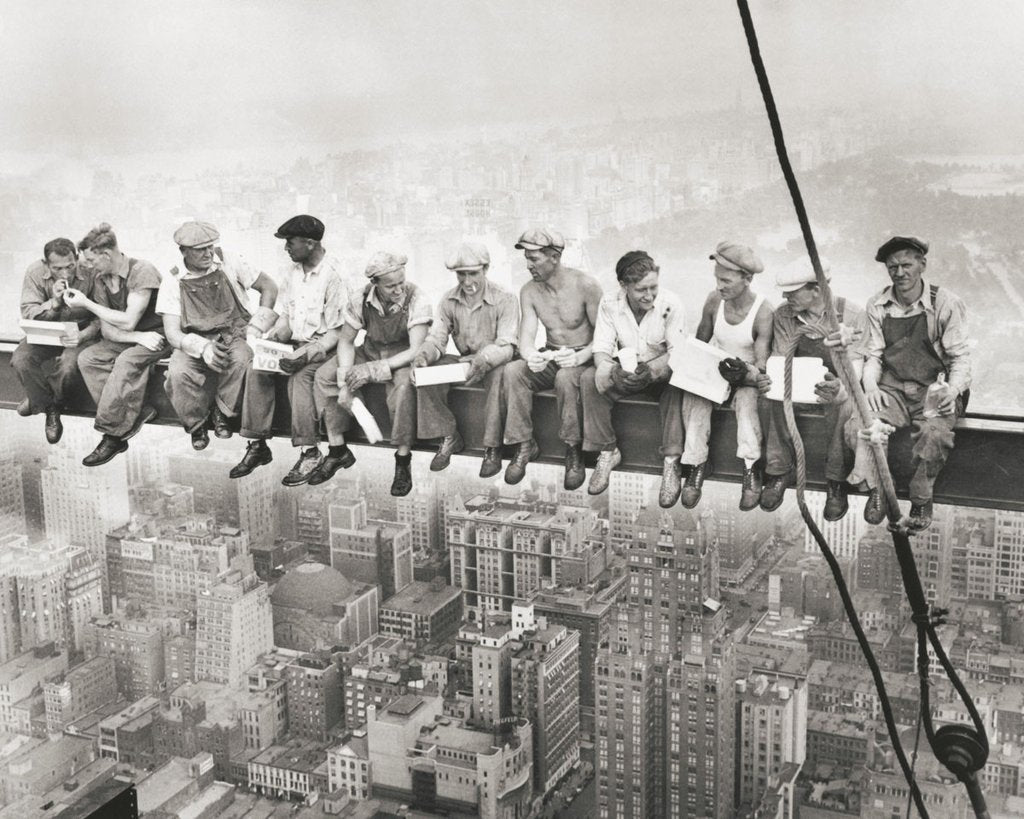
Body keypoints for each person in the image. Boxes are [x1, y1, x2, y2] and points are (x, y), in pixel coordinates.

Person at [846, 236, 971, 531]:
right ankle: (877, 489)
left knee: (934, 435)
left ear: (922, 265)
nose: (899, 273)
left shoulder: (945, 303)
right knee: (860, 425)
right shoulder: (877, 304)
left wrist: (951, 392)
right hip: (893, 389)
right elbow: (873, 355)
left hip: (935, 390)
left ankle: (921, 496)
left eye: (906, 265)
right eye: (892, 267)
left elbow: (960, 358)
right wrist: (871, 388)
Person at [229, 215, 349, 486]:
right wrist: (273, 338)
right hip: (295, 343)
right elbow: (287, 315)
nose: (286, 248)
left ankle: (310, 451)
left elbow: (337, 332)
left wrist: (306, 354)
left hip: (324, 349)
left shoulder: (335, 276)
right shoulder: (292, 272)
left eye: (290, 242)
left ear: (309, 243)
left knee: (300, 378)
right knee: (257, 367)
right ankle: (257, 444)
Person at [311, 251, 431, 496]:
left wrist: (371, 371)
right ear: (375, 284)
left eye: (401, 283)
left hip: (402, 356)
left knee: (405, 387)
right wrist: (345, 382)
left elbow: (415, 349)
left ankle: (402, 459)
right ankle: (337, 449)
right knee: (325, 375)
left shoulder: (418, 299)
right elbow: (346, 341)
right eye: (390, 287)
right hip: (371, 349)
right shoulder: (360, 298)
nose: (398, 290)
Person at [758, 259, 865, 520]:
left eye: (792, 291)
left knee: (843, 405)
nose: (785, 296)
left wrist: (839, 386)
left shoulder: (851, 314)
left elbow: (856, 367)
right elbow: (781, 358)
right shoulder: (784, 315)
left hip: (836, 385)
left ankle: (836, 481)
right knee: (771, 398)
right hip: (798, 384)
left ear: (816, 290)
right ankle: (779, 469)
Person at [157, 221, 279, 450]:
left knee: (242, 360)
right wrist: (202, 348)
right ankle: (197, 424)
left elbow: (269, 287)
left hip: (235, 333)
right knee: (177, 373)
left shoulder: (229, 260)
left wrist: (256, 327)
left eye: (210, 246)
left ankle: (223, 413)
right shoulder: (172, 280)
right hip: (195, 338)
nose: (208, 253)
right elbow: (172, 333)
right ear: (183, 251)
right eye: (200, 249)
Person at [502, 227, 602, 489]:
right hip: (552, 353)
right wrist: (531, 356)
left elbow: (604, 338)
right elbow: (526, 338)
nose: (528, 265)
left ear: (554, 257)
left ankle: (573, 450)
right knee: (514, 371)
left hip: (584, 357)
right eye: (526, 258)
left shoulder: (587, 286)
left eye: (534, 259)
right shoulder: (529, 291)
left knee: (566, 378)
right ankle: (525, 444)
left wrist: (580, 357)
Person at [581, 250, 685, 501]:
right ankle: (607, 451)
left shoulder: (671, 304)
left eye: (653, 287)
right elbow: (602, 350)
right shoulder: (609, 304)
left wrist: (651, 372)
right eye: (641, 290)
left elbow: (677, 352)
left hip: (660, 371)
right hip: (627, 369)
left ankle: (671, 461)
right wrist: (613, 371)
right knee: (588, 380)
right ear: (624, 286)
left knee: (677, 386)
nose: (649, 295)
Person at [678, 241, 773, 510]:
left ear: (747, 279)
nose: (720, 286)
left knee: (746, 404)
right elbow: (701, 342)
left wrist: (746, 373)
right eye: (717, 279)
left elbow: (762, 364)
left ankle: (751, 466)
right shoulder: (714, 300)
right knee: (695, 396)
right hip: (717, 367)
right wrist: (696, 370)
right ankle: (697, 463)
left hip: (745, 375)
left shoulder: (763, 313)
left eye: (726, 280)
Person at [412, 242, 518, 477]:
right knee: (426, 375)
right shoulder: (449, 300)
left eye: (473, 274)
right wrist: (424, 355)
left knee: (499, 376)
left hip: (494, 360)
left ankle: (492, 447)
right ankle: (448, 435)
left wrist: (484, 359)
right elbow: (438, 338)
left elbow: (507, 345)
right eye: (462, 274)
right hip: (465, 361)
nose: (467, 281)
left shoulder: (505, 299)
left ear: (486, 269)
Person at [64, 224, 164, 466]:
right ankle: (137, 413)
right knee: (88, 358)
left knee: (126, 361)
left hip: (159, 336)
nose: (87, 265)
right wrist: (136, 338)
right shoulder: (101, 279)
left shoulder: (142, 271)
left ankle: (112, 434)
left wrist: (86, 303)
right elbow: (108, 329)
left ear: (106, 255)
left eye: (90, 259)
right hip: (136, 338)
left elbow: (129, 320)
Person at [14, 237, 100, 444]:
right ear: (46, 264)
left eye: (70, 266)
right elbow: (28, 312)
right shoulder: (35, 272)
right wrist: (54, 303)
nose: (65, 273)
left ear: (77, 259)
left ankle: (39, 399)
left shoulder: (91, 271)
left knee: (69, 366)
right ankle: (49, 407)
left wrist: (83, 335)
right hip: (45, 330)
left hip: (79, 332)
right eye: (58, 268)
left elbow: (100, 317)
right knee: (21, 360)